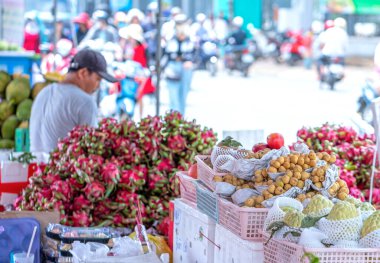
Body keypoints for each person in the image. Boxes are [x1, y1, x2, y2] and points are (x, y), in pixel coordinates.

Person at [30, 49, 118, 153]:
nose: (98, 86)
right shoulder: (85, 101)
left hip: (34, 166)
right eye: (97, 79)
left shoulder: (44, 91)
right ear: (83, 73)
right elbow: (91, 149)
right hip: (58, 168)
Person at [163, 14, 195, 115]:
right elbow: (164, 53)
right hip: (173, 66)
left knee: (183, 94)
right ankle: (173, 119)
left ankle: (181, 119)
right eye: (178, 23)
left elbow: (195, 53)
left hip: (186, 68)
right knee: (173, 95)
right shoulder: (169, 36)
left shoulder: (191, 37)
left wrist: (190, 61)